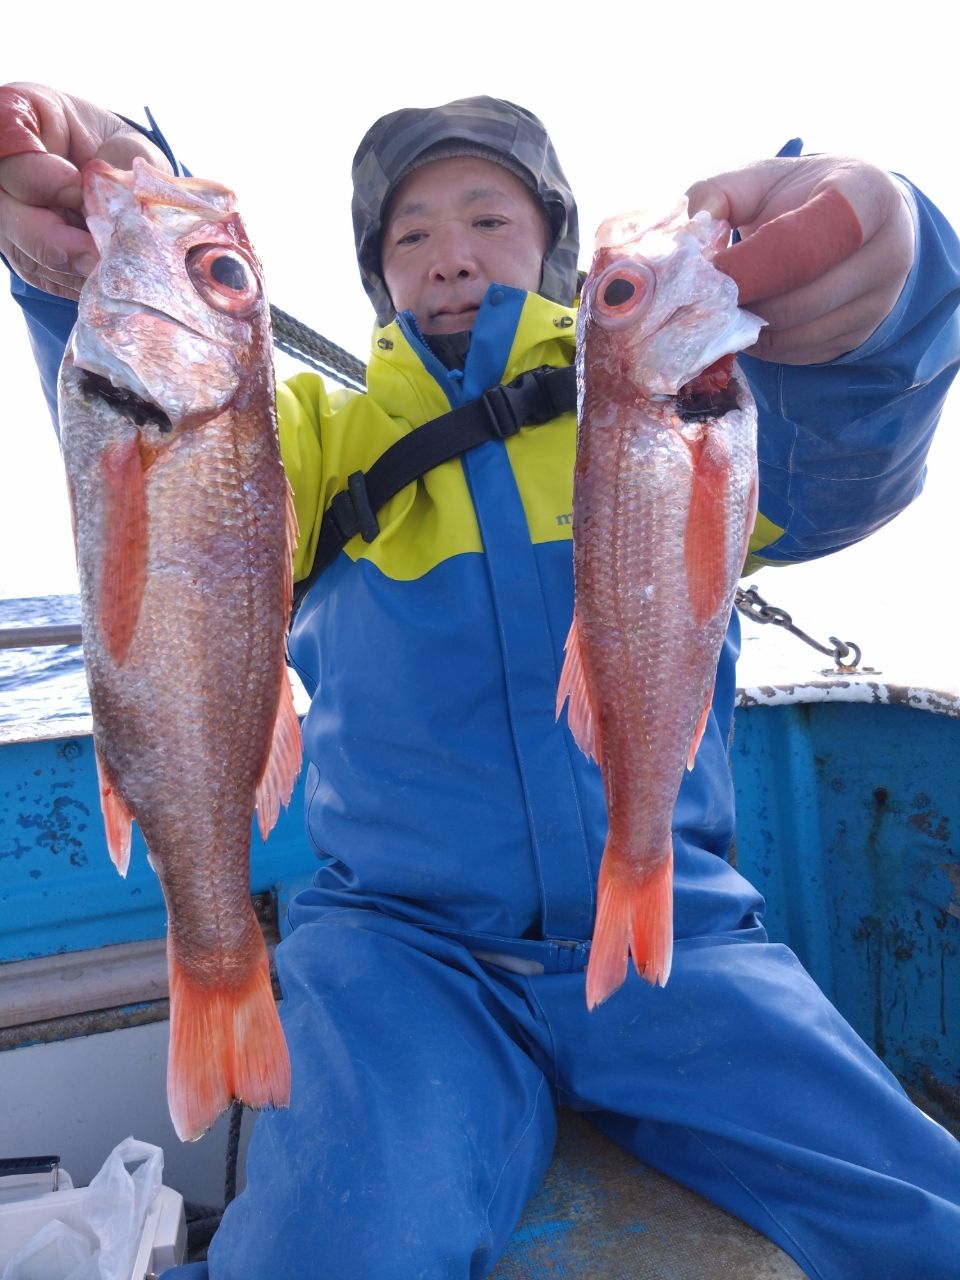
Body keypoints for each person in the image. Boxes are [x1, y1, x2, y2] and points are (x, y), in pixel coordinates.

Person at [3, 83, 960, 1280]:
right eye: (411, 234)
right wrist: (85, 264)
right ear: (379, 275)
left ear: (556, 248)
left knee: (926, 1216)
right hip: (401, 951)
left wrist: (893, 290)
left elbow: (848, 448)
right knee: (330, 1251)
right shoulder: (317, 439)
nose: (450, 253)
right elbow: (154, 445)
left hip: (685, 932)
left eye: (488, 219)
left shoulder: (678, 408)